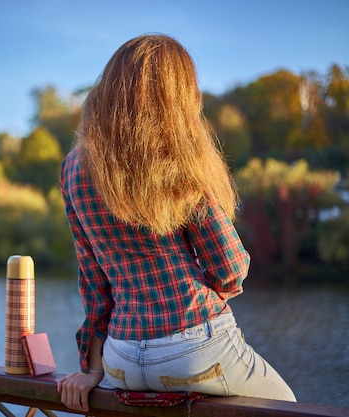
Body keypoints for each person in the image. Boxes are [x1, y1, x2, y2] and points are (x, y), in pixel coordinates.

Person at [56, 34, 296, 413]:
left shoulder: (73, 167)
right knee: (290, 407)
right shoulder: (177, 159)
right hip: (197, 347)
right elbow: (231, 270)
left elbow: (93, 282)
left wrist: (91, 367)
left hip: (120, 359)